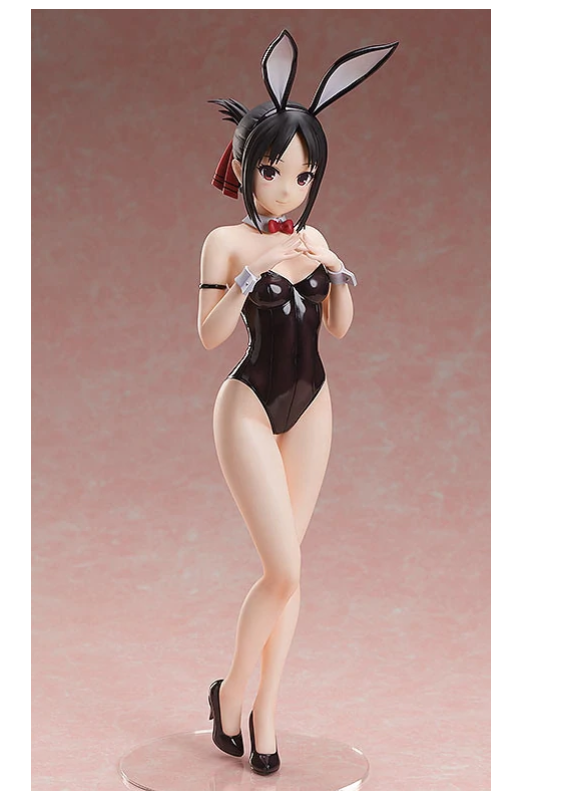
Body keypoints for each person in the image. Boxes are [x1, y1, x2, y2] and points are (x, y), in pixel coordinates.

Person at [197, 30, 398, 775]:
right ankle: (231, 692)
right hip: (247, 404)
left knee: (295, 572)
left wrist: (336, 271)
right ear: (248, 165)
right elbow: (210, 335)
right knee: (280, 571)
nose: (287, 190)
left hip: (313, 405)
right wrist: (255, 276)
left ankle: (265, 711)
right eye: (274, 171)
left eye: (303, 175)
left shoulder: (313, 235)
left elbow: (337, 328)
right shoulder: (224, 243)